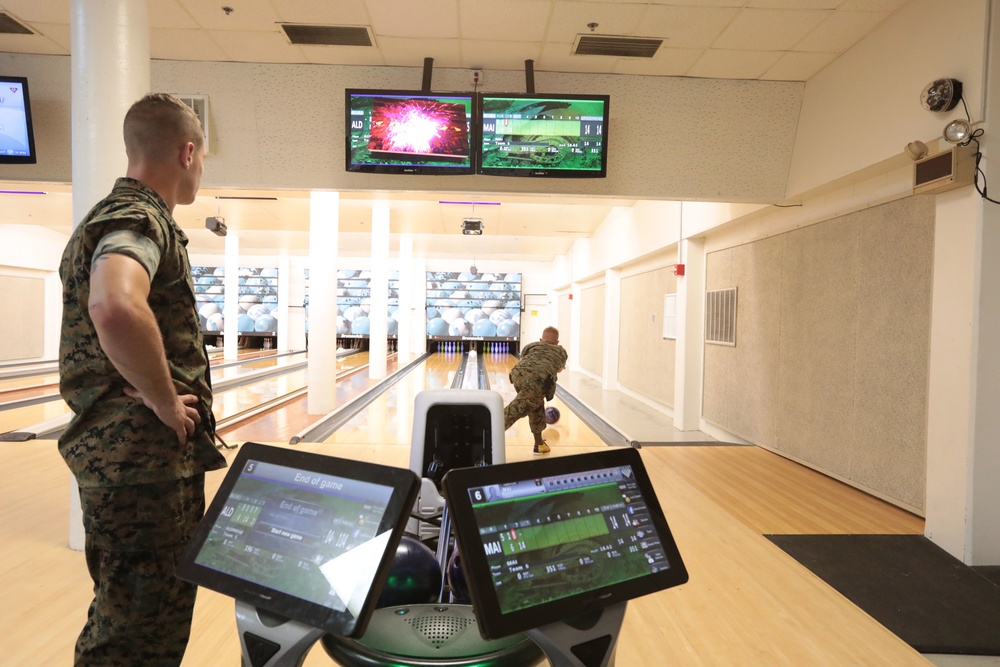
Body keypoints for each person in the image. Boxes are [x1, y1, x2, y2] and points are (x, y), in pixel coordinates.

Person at [58, 93, 227, 667]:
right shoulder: (138, 216)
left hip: (127, 465)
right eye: (202, 156)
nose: (201, 167)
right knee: (135, 635)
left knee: (130, 619)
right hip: (142, 468)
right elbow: (114, 305)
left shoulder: (111, 214)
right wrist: (161, 400)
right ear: (187, 152)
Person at [504, 326, 568, 454]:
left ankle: (539, 444)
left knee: (536, 405)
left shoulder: (531, 346)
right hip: (538, 379)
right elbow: (560, 368)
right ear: (557, 342)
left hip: (517, 373)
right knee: (517, 409)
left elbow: (526, 359)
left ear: (541, 340)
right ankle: (486, 431)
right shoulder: (561, 351)